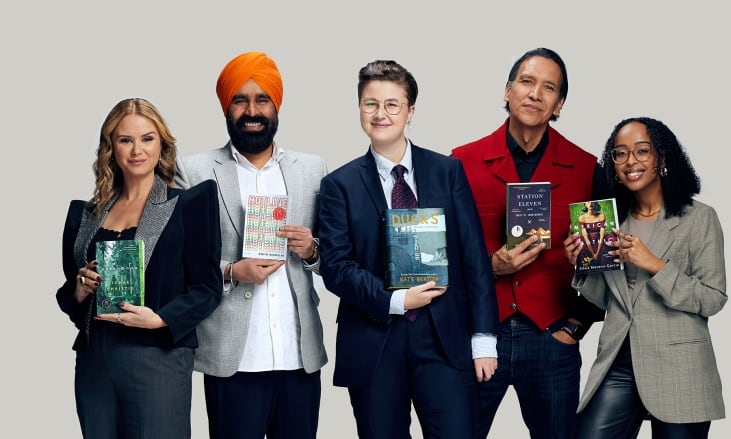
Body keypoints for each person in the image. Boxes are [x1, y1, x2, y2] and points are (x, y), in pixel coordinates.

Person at [318, 59, 499, 439]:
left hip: (444, 336)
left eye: (392, 104)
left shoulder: (447, 171)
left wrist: (484, 340)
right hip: (374, 340)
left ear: (410, 111)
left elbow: (473, 258)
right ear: (359, 109)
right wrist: (397, 300)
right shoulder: (339, 184)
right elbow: (336, 266)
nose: (380, 114)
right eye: (371, 104)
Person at [451, 47, 605, 439]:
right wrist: (491, 265)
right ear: (507, 91)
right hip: (481, 336)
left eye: (549, 87)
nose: (536, 93)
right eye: (527, 81)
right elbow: (440, 254)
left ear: (558, 105)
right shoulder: (460, 163)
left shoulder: (586, 168)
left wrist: (577, 324)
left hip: (552, 339)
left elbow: (603, 260)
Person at [174, 51, 328, 439]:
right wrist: (230, 271)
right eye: (240, 100)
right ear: (226, 107)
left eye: (262, 99)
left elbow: (336, 258)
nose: (251, 110)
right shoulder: (193, 171)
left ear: (276, 106)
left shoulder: (312, 169)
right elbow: (175, 261)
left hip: (299, 356)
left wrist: (311, 250)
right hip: (232, 356)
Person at [56, 98, 222, 439]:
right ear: (111, 148)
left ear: (162, 143)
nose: (137, 150)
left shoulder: (188, 205)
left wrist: (161, 319)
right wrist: (80, 287)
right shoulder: (86, 215)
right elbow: (69, 297)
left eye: (147, 138)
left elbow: (207, 288)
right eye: (125, 139)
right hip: (96, 360)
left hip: (158, 356)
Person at [565, 117, 727, 438]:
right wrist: (583, 264)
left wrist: (654, 264)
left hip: (679, 366)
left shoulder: (699, 218)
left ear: (662, 158)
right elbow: (605, 299)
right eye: (620, 154)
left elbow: (712, 298)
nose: (630, 162)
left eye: (642, 151)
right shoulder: (611, 221)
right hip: (619, 362)